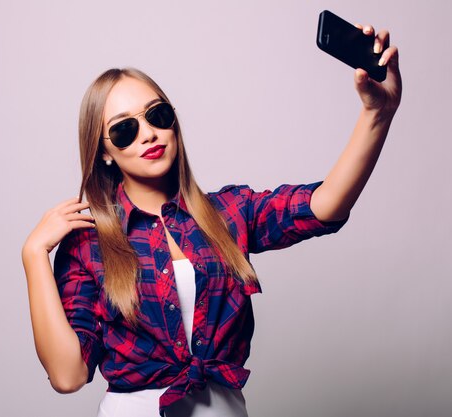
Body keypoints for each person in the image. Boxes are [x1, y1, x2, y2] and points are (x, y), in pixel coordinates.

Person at [21, 23, 401, 417]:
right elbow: (67, 376)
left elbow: (324, 206)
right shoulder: (89, 244)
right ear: (104, 152)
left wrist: (378, 113)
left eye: (157, 115)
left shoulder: (229, 212)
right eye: (124, 130)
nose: (148, 134)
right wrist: (33, 255)